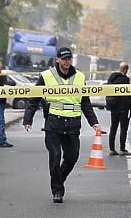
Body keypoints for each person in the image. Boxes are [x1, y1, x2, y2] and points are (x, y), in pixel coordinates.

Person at [22, 47, 101, 204]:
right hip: (53, 123)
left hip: (72, 124)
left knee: (72, 157)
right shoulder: (46, 76)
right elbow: (34, 98)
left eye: (69, 59)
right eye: (64, 59)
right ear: (57, 59)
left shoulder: (79, 77)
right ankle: (57, 190)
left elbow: (85, 102)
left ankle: (59, 178)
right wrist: (27, 119)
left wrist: (94, 122)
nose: (67, 61)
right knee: (55, 156)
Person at [105, 62, 131, 156]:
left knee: (113, 127)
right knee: (123, 128)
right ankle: (122, 149)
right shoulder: (125, 79)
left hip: (113, 107)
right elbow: (127, 95)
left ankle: (112, 149)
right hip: (123, 108)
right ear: (126, 70)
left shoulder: (112, 78)